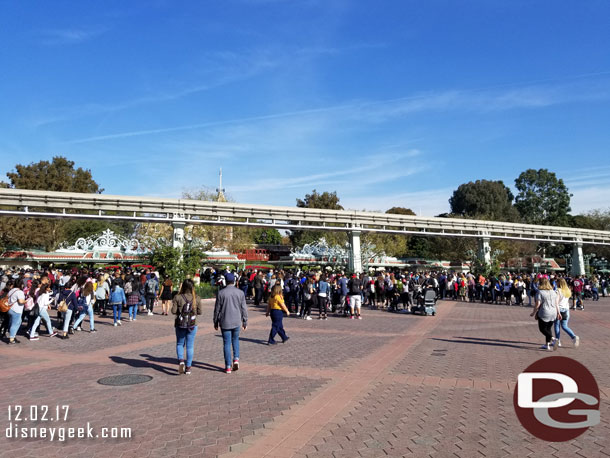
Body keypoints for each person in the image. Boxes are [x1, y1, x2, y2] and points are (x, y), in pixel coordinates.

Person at [213, 272, 248, 374]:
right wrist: (245, 321)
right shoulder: (240, 293)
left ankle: (228, 366)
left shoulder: (221, 293)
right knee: (235, 340)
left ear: (225, 281)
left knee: (226, 343)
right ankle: (236, 359)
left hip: (225, 321)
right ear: (234, 281)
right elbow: (244, 309)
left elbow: (217, 309)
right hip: (237, 320)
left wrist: (215, 321)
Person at [172, 279, 202, 375]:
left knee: (180, 344)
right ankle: (188, 367)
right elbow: (200, 312)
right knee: (190, 346)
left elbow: (173, 311)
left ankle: (181, 361)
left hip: (180, 324)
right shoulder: (196, 298)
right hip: (192, 324)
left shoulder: (178, 297)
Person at [531, 277, 561, 350]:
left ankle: (553, 339)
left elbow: (538, 303)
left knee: (542, 329)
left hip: (544, 311)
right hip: (553, 311)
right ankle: (547, 345)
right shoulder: (553, 291)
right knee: (548, 328)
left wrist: (534, 312)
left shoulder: (540, 292)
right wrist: (558, 313)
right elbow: (556, 303)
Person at [553, 278, 580, 349]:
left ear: (559, 283)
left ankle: (558, 340)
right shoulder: (568, 290)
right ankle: (573, 336)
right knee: (564, 326)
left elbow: (556, 303)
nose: (556, 283)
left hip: (559, 309)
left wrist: (558, 312)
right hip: (566, 309)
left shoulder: (558, 291)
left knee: (557, 325)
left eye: (557, 282)